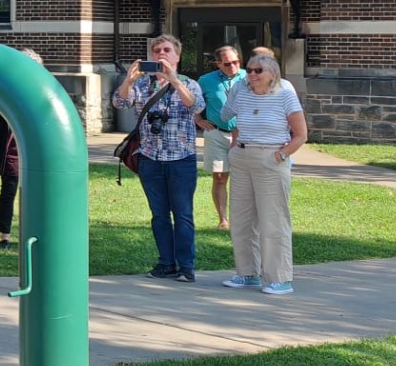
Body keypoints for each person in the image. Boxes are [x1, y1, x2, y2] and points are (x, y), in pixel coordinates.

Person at [112, 32, 206, 283]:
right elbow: (120, 103)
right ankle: (166, 263)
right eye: (157, 51)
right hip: (150, 159)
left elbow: (196, 106)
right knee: (159, 214)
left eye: (166, 50)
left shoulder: (188, 83)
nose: (161, 54)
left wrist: (174, 81)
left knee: (183, 214)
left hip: (181, 160)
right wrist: (128, 81)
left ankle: (186, 266)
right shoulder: (142, 85)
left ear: (177, 55)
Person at [222, 51, 308, 295]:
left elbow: (301, 134)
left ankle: (280, 278)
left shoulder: (285, 95)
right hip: (242, 157)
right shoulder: (243, 94)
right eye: (248, 70)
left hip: (270, 158)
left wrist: (281, 155)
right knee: (241, 219)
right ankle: (247, 273)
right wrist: (237, 88)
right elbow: (228, 117)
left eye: (258, 70)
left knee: (273, 221)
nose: (251, 74)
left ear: (272, 73)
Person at [0, 48, 42, 250]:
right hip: (12, 150)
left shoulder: (42, 90)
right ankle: (5, 235)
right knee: (9, 191)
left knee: (35, 194)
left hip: (36, 150)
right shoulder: (8, 89)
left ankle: (34, 232)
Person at [196, 46, 245, 231]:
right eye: (227, 63)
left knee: (243, 179)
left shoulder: (249, 78)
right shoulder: (206, 81)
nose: (233, 66)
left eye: (236, 61)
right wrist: (198, 119)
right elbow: (194, 102)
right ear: (217, 63)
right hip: (216, 133)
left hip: (244, 136)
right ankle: (223, 220)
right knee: (219, 177)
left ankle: (242, 220)